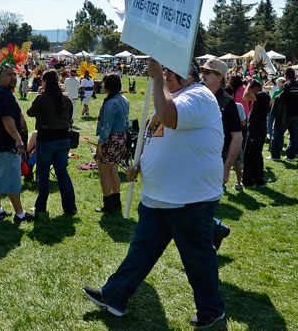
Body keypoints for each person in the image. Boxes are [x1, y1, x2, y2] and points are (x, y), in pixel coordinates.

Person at [83, 58, 225, 327]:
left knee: (197, 258)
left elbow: (171, 117)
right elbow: (154, 138)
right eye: (166, 70)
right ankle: (114, 296)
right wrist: (141, 164)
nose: (167, 74)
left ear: (191, 75)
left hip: (189, 198)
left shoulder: (198, 96)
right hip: (158, 196)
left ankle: (212, 310)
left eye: (172, 71)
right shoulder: (165, 98)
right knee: (141, 252)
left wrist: (157, 76)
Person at [0, 64, 34, 224]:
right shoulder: (4, 95)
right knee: (13, 180)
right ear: (0, 78)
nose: (13, 78)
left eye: (14, 74)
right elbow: (7, 120)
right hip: (6, 147)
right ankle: (20, 214)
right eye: (8, 75)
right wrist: (19, 140)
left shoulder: (2, 93)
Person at [26, 70, 76, 215]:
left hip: (47, 140)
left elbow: (30, 112)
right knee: (62, 173)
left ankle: (41, 207)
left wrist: (38, 95)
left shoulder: (42, 98)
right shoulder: (66, 99)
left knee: (43, 174)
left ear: (45, 82)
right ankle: (70, 207)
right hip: (63, 140)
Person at [201, 58, 243, 192]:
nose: (203, 74)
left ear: (219, 77)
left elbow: (237, 137)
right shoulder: (195, 94)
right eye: (202, 70)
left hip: (214, 159)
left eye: (207, 72)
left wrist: (226, 169)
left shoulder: (227, 102)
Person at [93, 73, 130, 213]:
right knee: (114, 169)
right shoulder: (124, 99)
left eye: (104, 83)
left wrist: (99, 146)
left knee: (104, 172)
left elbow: (106, 127)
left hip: (111, 140)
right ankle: (116, 201)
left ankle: (108, 204)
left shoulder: (111, 103)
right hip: (122, 139)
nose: (102, 86)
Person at [270, 67, 298, 162]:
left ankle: (276, 156)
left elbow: (283, 97)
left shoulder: (288, 84)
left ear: (286, 75)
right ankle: (291, 156)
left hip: (285, 115)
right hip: (296, 115)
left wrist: (277, 97)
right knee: (293, 137)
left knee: (278, 134)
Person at [243, 79, 270, 188]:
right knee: (256, 155)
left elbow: (245, 97)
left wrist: (249, 84)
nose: (249, 90)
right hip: (258, 129)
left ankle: (250, 181)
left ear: (255, 88)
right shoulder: (263, 95)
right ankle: (258, 180)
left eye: (250, 88)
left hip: (257, 129)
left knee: (250, 155)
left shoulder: (262, 94)